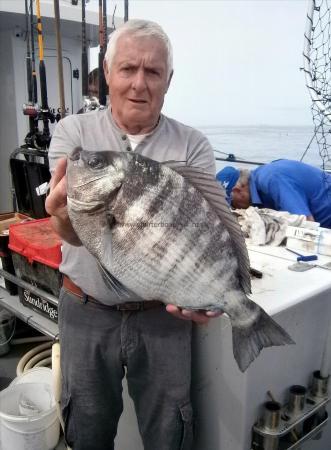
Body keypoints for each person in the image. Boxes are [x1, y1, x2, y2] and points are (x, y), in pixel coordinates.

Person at [46, 19, 220, 450]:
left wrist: (206, 296)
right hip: (86, 309)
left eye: (153, 72)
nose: (139, 83)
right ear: (107, 74)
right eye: (127, 69)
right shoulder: (74, 134)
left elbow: (204, 236)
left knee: (170, 432)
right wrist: (62, 215)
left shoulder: (192, 147)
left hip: (162, 316)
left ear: (169, 80)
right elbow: (66, 228)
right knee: (85, 428)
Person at [216, 159, 331, 228]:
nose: (234, 208)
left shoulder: (272, 180)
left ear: (238, 191)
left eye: (232, 204)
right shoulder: (258, 181)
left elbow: (306, 224)